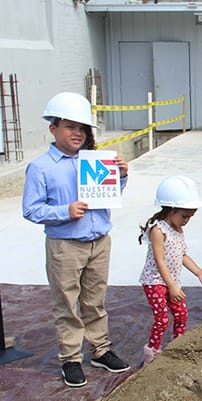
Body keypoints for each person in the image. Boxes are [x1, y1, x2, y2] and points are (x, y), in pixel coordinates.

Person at [22, 92, 130, 387]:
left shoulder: (95, 161)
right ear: (53, 128)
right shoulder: (41, 168)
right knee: (67, 303)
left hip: (99, 241)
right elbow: (30, 209)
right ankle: (71, 358)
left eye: (82, 128)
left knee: (95, 300)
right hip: (65, 245)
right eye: (70, 127)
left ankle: (100, 349)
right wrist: (64, 211)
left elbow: (111, 196)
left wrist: (120, 176)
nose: (77, 133)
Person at [138, 176, 202, 365]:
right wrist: (172, 286)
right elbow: (160, 261)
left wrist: (198, 272)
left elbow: (182, 255)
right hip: (155, 281)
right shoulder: (159, 231)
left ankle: (177, 345)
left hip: (171, 282)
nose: (187, 221)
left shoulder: (178, 229)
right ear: (171, 209)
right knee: (162, 318)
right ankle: (152, 351)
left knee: (182, 314)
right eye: (184, 216)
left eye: (190, 217)